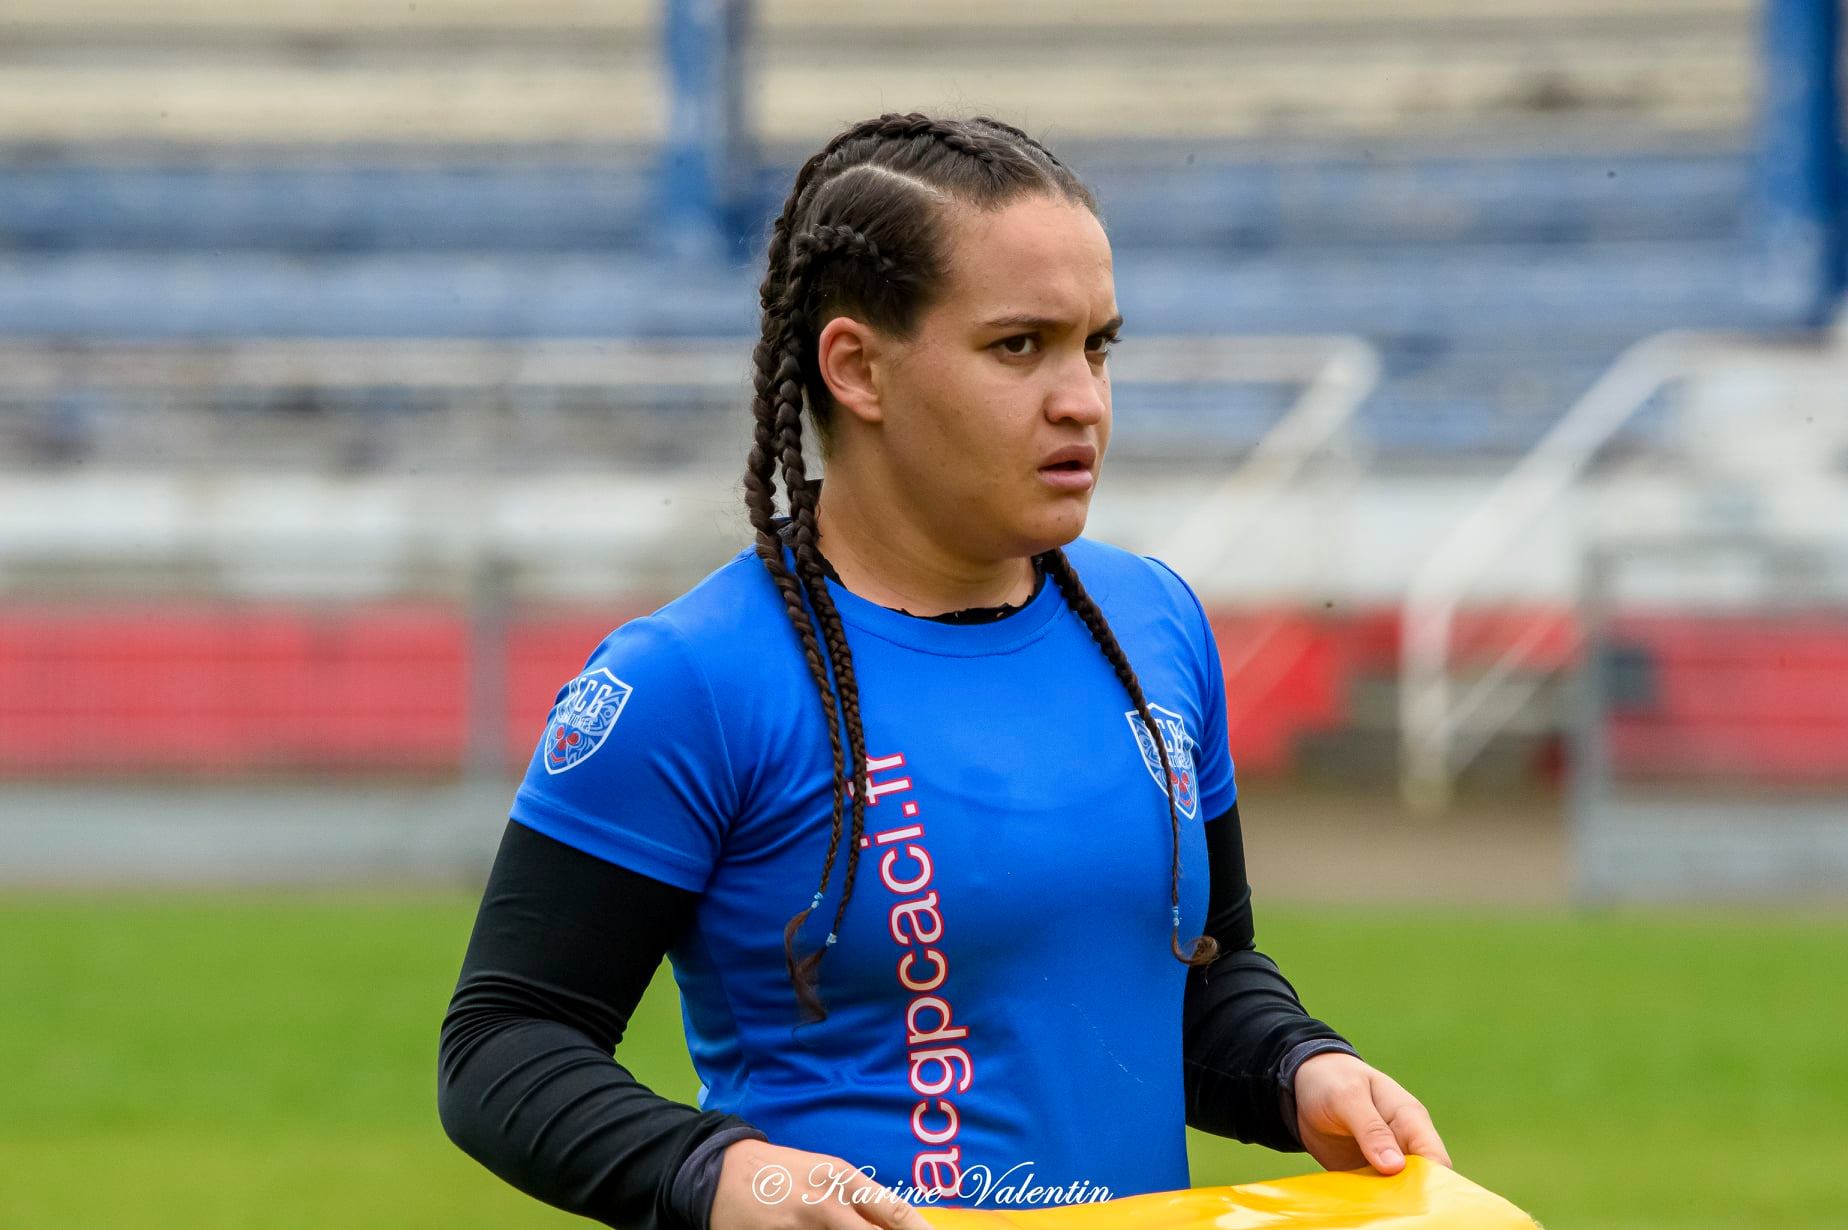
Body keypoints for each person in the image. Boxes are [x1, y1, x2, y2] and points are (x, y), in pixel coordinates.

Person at [437, 112, 1450, 1230]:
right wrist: (727, 1173)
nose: (1082, 400)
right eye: (1020, 346)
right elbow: (503, 1045)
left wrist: (1300, 1067)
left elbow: (1198, 976)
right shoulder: (692, 681)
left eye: (1097, 345)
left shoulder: (1153, 620)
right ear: (858, 367)